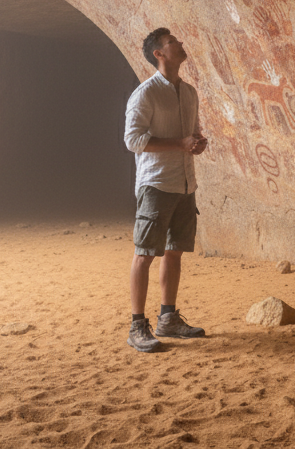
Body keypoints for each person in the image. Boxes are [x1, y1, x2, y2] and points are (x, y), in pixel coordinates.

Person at [123, 27, 209, 352]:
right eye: (173, 42)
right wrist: (180, 144)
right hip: (156, 184)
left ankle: (168, 318)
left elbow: (193, 131)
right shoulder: (145, 94)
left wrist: (197, 142)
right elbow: (133, 140)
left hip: (185, 183)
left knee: (174, 252)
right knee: (144, 254)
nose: (181, 44)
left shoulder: (188, 92)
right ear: (159, 54)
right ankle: (137, 326)